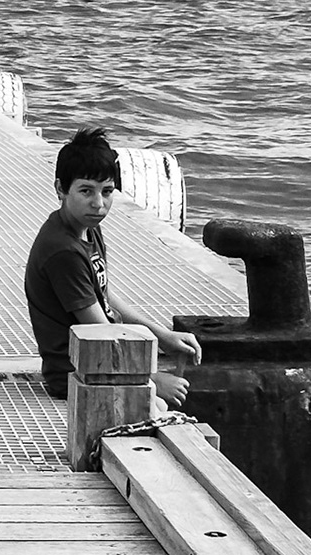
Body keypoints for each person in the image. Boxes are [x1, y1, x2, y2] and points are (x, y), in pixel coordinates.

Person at [24, 127, 201, 403]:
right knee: (158, 404)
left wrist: (163, 335)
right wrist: (151, 380)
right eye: (86, 191)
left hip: (100, 359)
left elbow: (104, 297)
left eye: (107, 191)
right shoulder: (63, 251)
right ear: (61, 189)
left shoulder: (87, 228)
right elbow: (100, 331)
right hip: (77, 372)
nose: (98, 204)